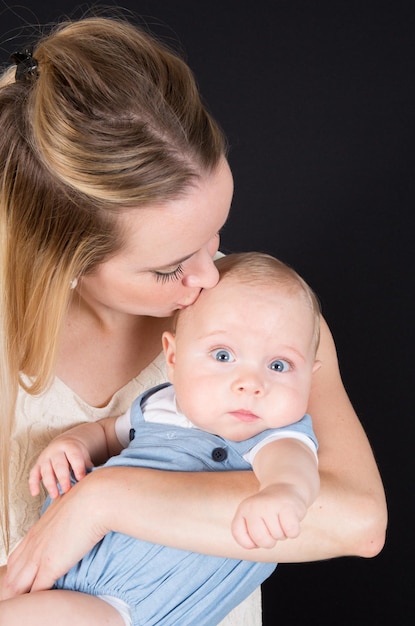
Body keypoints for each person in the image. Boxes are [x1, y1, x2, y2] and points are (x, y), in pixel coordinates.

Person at [0, 12, 387, 626]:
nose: (211, 277)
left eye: (217, 233)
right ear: (62, 262)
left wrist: (103, 499)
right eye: (170, 268)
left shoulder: (265, 322)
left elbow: (358, 519)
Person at [0, 252, 322, 625]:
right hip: (55, 569)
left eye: (279, 366)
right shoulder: (161, 405)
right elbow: (109, 432)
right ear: (173, 357)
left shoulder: (275, 435)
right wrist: (73, 444)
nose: (251, 384)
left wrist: (284, 494)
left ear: (310, 377)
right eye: (222, 356)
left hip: (123, 604)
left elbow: (293, 468)